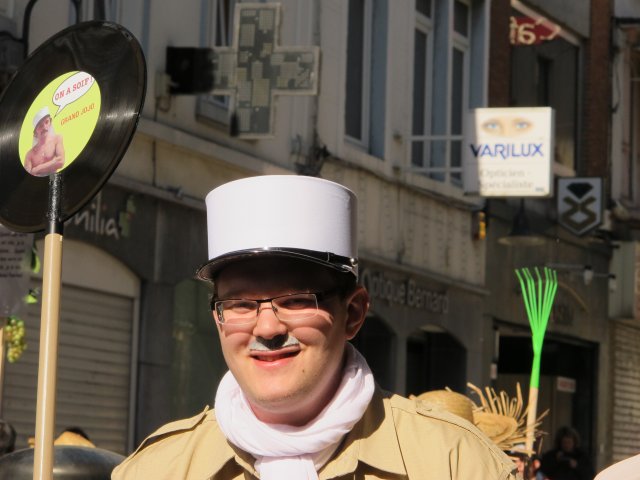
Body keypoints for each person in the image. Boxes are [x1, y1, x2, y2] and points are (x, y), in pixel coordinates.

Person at [112, 175, 517, 479]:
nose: (266, 328)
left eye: (297, 301)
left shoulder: (454, 463)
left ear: (353, 313)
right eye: (239, 304)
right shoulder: (158, 471)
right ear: (218, 319)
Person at [24, 106, 65, 177]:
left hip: (55, 181)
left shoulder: (57, 139)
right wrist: (52, 163)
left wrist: (37, 169)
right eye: (40, 125)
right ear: (35, 132)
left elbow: (60, 161)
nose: (45, 127)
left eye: (46, 122)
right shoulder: (29, 155)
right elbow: (26, 177)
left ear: (50, 122)